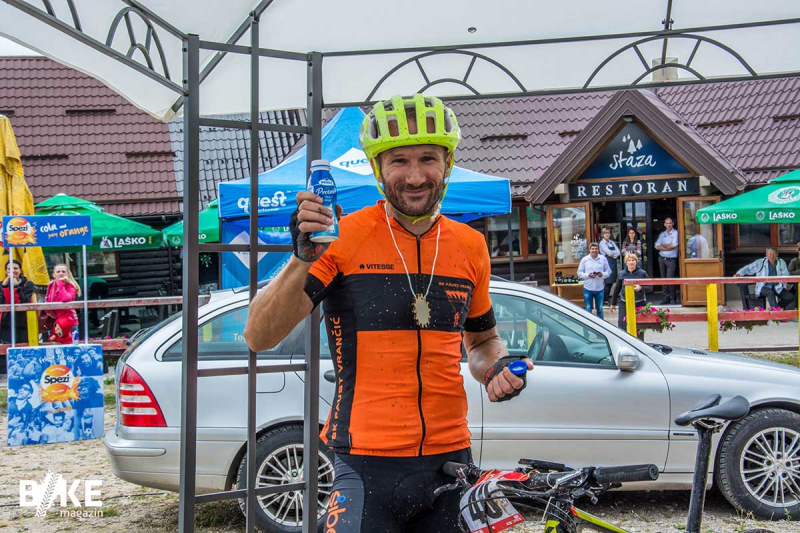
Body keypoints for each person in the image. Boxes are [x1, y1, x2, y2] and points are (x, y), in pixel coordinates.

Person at [243, 94, 531, 533]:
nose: (415, 176)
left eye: (428, 158)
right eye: (399, 161)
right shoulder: (342, 236)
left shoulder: (470, 246)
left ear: (448, 164)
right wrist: (300, 258)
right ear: (377, 169)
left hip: (451, 461)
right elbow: (259, 335)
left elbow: (482, 341)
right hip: (365, 463)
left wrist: (495, 369)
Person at [610, 253, 652, 335]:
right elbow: (617, 289)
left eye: (633, 260)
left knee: (639, 325)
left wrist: (641, 288)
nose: (631, 262)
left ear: (636, 262)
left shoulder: (642, 273)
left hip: (639, 302)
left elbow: (650, 287)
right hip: (624, 302)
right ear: (626, 262)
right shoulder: (621, 273)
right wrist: (613, 303)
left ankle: (639, 341)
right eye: (629, 260)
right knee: (622, 323)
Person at [43, 264, 80, 344]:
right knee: (54, 347)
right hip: (54, 322)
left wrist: (60, 283)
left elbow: (65, 299)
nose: (61, 273)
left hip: (69, 322)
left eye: (63, 271)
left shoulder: (71, 286)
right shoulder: (51, 285)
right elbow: (47, 301)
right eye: (58, 272)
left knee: (71, 347)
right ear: (54, 274)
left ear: (67, 274)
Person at [0, 259, 35, 344]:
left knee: (23, 347)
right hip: (6, 324)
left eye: (15, 268)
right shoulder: (1, 284)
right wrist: (5, 287)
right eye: (9, 269)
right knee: (6, 348)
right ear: (6, 271)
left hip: (23, 323)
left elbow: (24, 301)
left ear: (20, 270)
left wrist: (16, 287)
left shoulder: (28, 284)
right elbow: (2, 302)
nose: (13, 271)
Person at [577, 242, 611, 319]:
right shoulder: (585, 259)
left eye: (596, 249)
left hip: (599, 288)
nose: (594, 250)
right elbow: (579, 273)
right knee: (588, 308)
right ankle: (588, 324)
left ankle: (600, 325)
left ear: (598, 250)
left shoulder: (603, 259)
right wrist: (588, 275)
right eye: (592, 249)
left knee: (600, 309)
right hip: (588, 288)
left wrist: (602, 274)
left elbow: (609, 271)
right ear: (589, 250)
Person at [654, 217, 679, 304]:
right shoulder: (662, 234)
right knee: (663, 279)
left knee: (670, 279)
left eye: (670, 223)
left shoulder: (676, 233)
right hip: (662, 259)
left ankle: (672, 298)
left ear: (673, 224)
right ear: (664, 224)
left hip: (671, 260)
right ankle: (665, 298)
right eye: (667, 223)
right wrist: (668, 247)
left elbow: (673, 245)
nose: (669, 225)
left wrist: (663, 245)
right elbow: (656, 246)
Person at [598, 227, 621, 305]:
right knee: (607, 282)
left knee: (611, 282)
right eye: (605, 233)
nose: (607, 234)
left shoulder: (612, 242)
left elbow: (618, 252)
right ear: (602, 235)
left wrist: (613, 254)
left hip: (613, 264)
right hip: (606, 263)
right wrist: (614, 254)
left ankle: (607, 299)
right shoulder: (602, 243)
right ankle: (605, 299)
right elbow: (609, 253)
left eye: (608, 233)